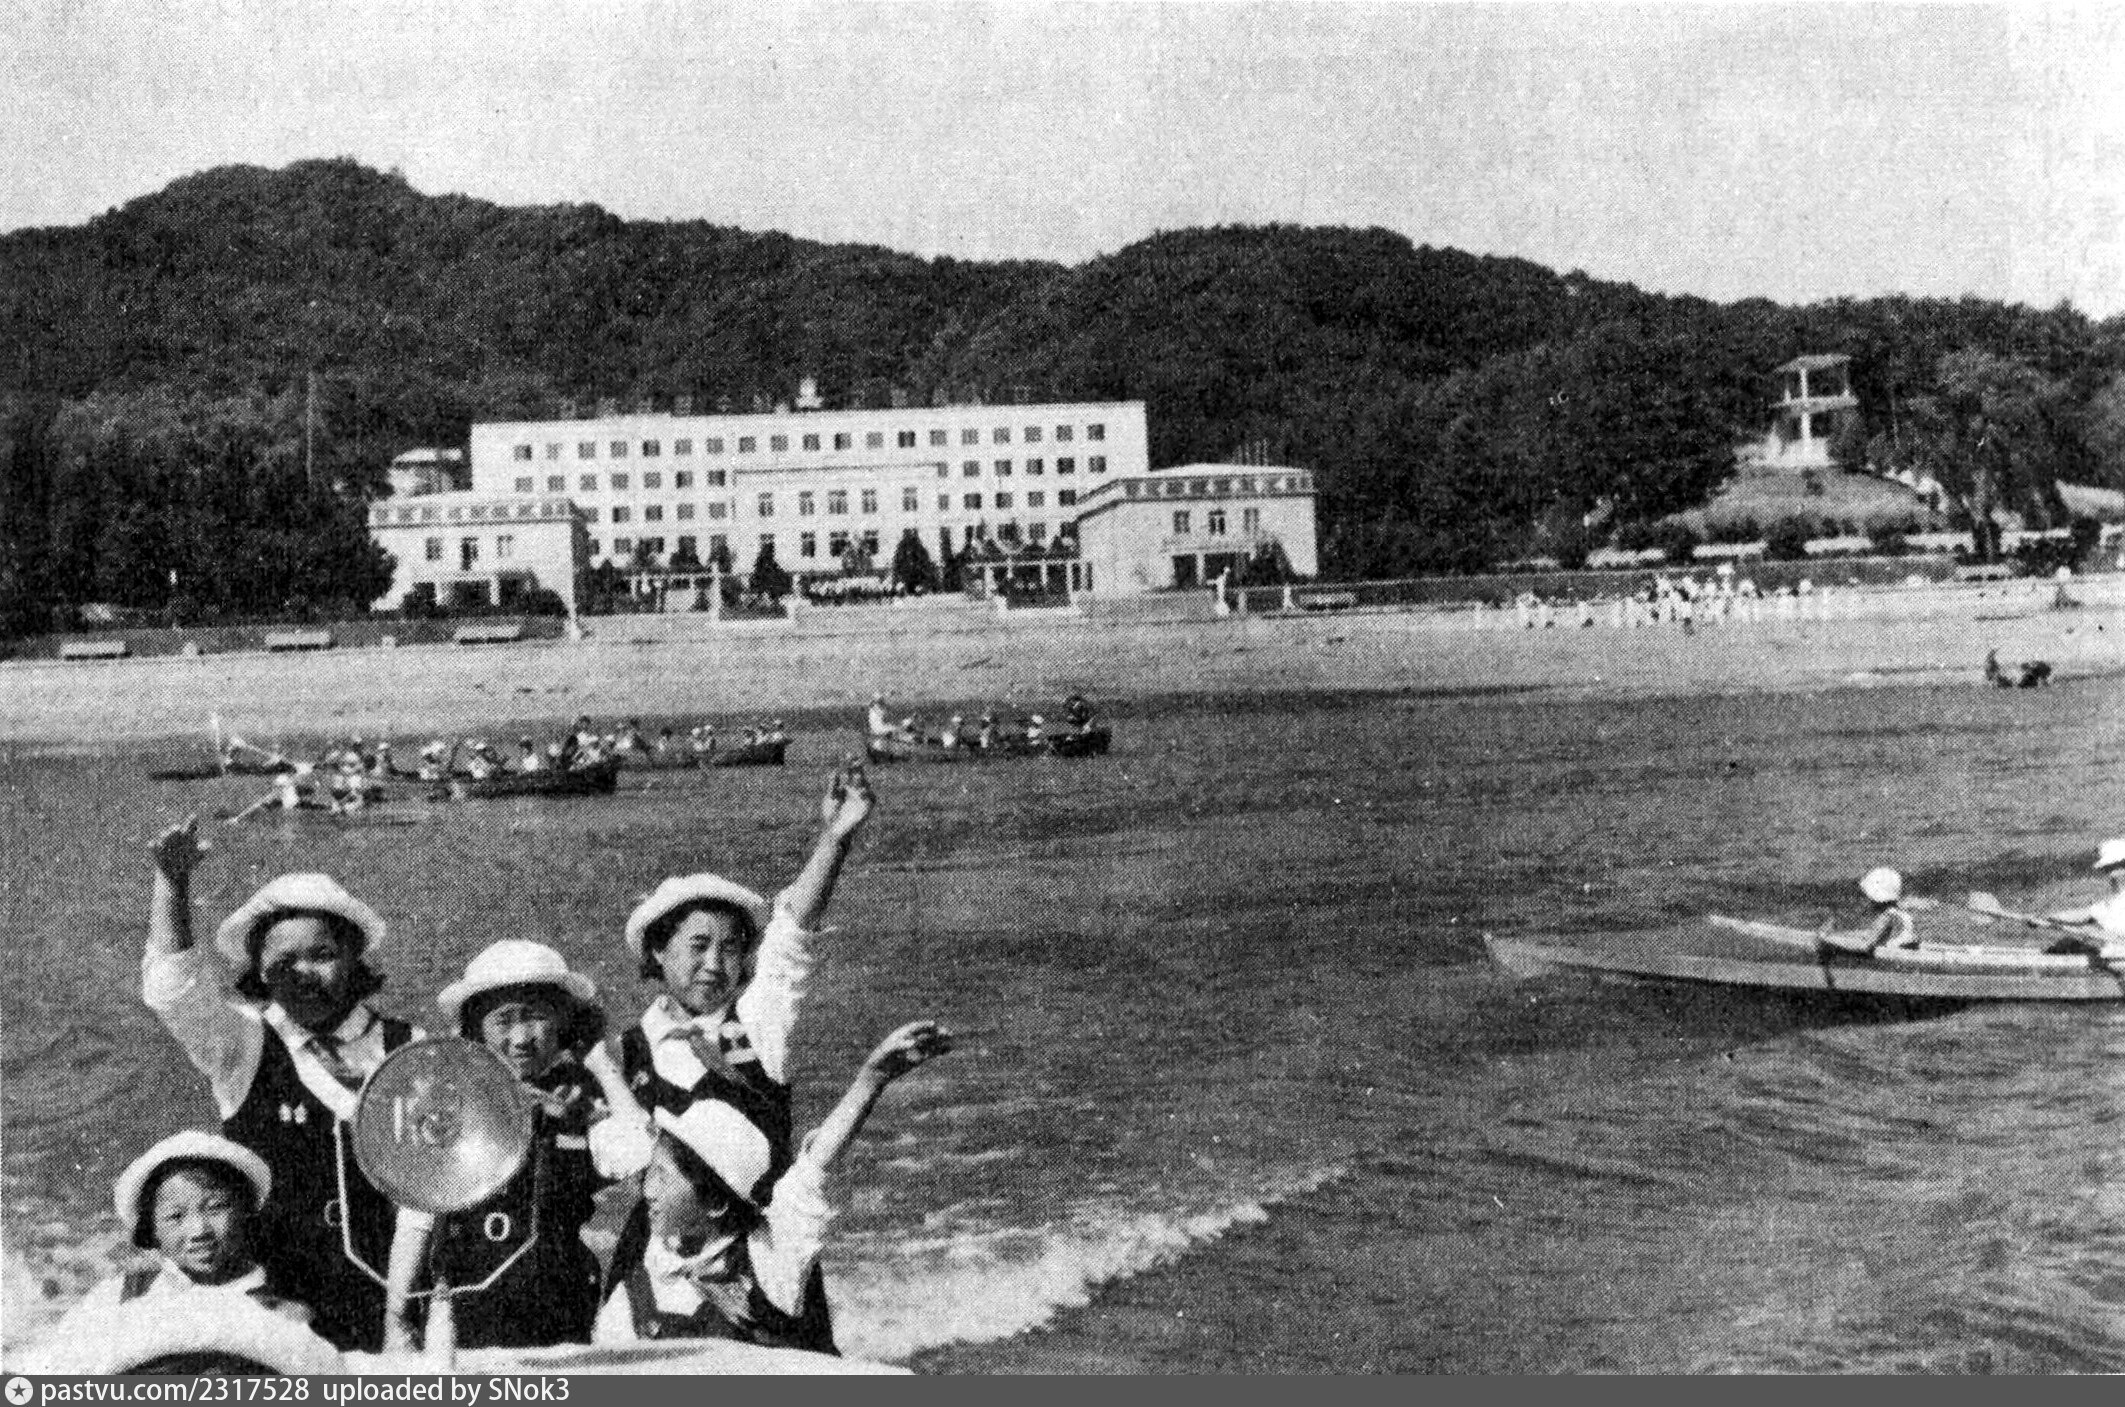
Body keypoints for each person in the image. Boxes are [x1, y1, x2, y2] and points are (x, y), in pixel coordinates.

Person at [594, 766, 878, 1297]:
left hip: (765, 1258)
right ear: (659, 952)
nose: (714, 964)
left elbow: (792, 934)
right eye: (698, 946)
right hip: (661, 1262)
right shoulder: (625, 1052)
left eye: (730, 948)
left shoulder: (759, 1024)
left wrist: (836, 840)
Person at [144, 819, 423, 1352]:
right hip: (279, 1311)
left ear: (354, 959)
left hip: (397, 1305)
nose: (303, 973)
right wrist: (172, 885)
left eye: (322, 955)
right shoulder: (242, 1043)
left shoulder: (411, 1046)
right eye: (283, 962)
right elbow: (174, 992)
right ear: (260, 973)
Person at [593, 1019, 954, 1350]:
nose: (648, 1190)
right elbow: (635, 1126)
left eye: (662, 1177)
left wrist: (871, 1079)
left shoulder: (770, 1261)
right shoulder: (635, 1294)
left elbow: (813, 1167)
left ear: (716, 1204)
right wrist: (601, 1066)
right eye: (651, 1174)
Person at [384, 942, 616, 1351]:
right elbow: (416, 1218)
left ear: (564, 1022)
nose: (521, 1038)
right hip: (466, 1306)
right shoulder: (449, 1107)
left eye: (537, 1018)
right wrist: (397, 1317)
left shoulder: (587, 1103)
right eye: (503, 1021)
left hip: (559, 1305)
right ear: (476, 1030)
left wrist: (600, 1071)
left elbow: (633, 1157)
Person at [41, 1132, 311, 1336]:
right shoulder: (120, 1295)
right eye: (175, 1217)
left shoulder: (283, 1312)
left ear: (244, 1208)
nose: (199, 1230)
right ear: (153, 1230)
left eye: (215, 1207)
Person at [1816, 867, 1920, 957]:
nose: (1864, 899)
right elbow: (1874, 935)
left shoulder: (1886, 917)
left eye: (1866, 896)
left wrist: (1828, 940)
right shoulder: (1901, 914)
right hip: (1904, 955)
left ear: (1874, 898)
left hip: (1894, 963)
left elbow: (1865, 946)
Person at [2047, 839, 2125, 936]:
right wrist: (2049, 918)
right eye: (2106, 870)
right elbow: (2087, 914)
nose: (2108, 874)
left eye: (2113, 868)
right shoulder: (2115, 899)